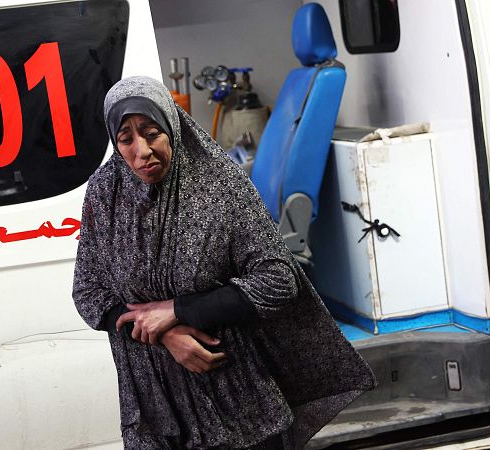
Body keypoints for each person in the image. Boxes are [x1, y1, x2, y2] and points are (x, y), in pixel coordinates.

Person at [72, 76, 375, 449]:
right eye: (126, 139)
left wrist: (179, 309)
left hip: (234, 398)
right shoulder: (105, 192)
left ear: (171, 126)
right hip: (156, 404)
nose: (142, 151)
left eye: (152, 133)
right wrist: (166, 334)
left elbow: (278, 278)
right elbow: (88, 292)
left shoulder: (217, 183)